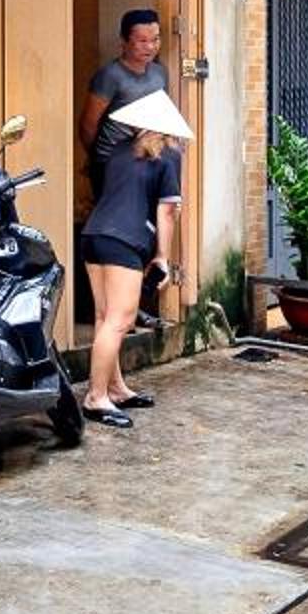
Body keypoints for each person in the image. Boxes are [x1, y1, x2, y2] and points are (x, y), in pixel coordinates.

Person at [76, 91, 187, 429]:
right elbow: (167, 211)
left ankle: (115, 388)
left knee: (104, 317)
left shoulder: (118, 151)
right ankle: (96, 397)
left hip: (93, 235)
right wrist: (163, 257)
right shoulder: (169, 154)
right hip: (125, 242)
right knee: (120, 320)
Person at [80, 10, 168, 193]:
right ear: (124, 41)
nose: (150, 47)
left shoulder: (160, 73)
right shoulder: (110, 76)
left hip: (147, 160)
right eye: (142, 41)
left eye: (155, 39)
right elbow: (88, 124)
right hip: (112, 163)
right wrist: (96, 159)